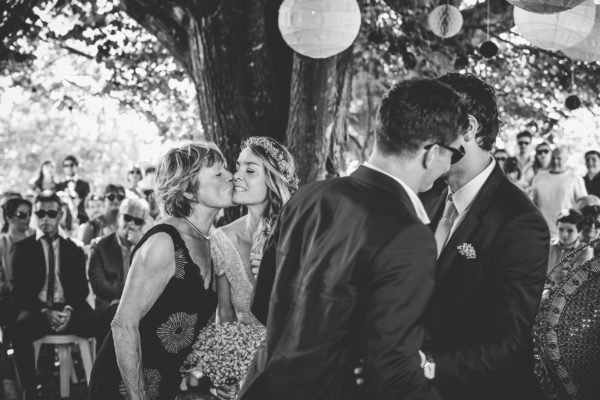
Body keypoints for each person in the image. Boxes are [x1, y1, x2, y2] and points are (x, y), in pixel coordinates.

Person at [240, 78, 468, 400]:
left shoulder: (309, 197)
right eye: (455, 153)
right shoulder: (409, 235)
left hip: (266, 385)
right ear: (431, 153)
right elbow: (391, 374)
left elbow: (264, 303)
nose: (450, 164)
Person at [418, 73, 550, 400]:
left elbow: (506, 344)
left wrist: (426, 365)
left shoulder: (520, 223)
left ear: (469, 128)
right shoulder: (428, 195)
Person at [88, 142, 233, 400]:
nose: (230, 176)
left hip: (166, 386)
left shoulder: (212, 243)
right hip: (124, 387)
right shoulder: (164, 242)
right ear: (189, 191)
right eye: (218, 173)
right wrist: (138, 395)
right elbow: (123, 325)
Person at [11, 192, 97, 399]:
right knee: (19, 329)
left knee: (103, 322)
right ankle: (30, 390)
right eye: (40, 213)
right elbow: (20, 291)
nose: (45, 219)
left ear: (60, 215)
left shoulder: (74, 247)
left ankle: (101, 384)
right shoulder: (23, 248)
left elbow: (81, 289)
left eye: (51, 213)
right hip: (38, 310)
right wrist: (44, 311)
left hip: (70, 309)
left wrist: (68, 309)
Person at [213, 137, 298, 329]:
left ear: (272, 181)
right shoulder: (222, 239)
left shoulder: (299, 235)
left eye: (250, 170)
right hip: (242, 355)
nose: (236, 175)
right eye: (238, 167)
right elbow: (225, 314)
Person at [88, 198, 149, 348]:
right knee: (119, 314)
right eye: (127, 217)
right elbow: (99, 285)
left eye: (138, 221)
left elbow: (154, 280)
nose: (131, 224)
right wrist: (129, 294)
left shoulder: (147, 247)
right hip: (110, 306)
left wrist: (141, 245)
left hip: (142, 306)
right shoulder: (100, 246)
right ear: (118, 217)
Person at [531, 147, 587, 238]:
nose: (555, 161)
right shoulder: (539, 178)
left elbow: (583, 205)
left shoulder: (574, 178)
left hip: (568, 232)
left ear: (566, 159)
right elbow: (532, 203)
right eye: (553, 158)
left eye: (559, 159)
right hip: (543, 231)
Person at [0, 198, 33, 325]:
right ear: (9, 218)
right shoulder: (2, 244)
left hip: (33, 300)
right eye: (22, 215)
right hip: (7, 298)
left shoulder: (36, 241)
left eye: (30, 213)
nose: (28, 218)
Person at [546, 209, 592, 281]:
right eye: (561, 229)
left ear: (579, 231)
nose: (564, 235)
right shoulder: (549, 246)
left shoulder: (584, 250)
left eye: (570, 231)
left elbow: (577, 280)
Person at [55, 155, 91, 224]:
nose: (69, 168)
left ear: (76, 166)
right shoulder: (58, 186)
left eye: (71, 165)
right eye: (66, 165)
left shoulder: (85, 185)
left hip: (82, 220)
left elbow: (87, 205)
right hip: (63, 221)